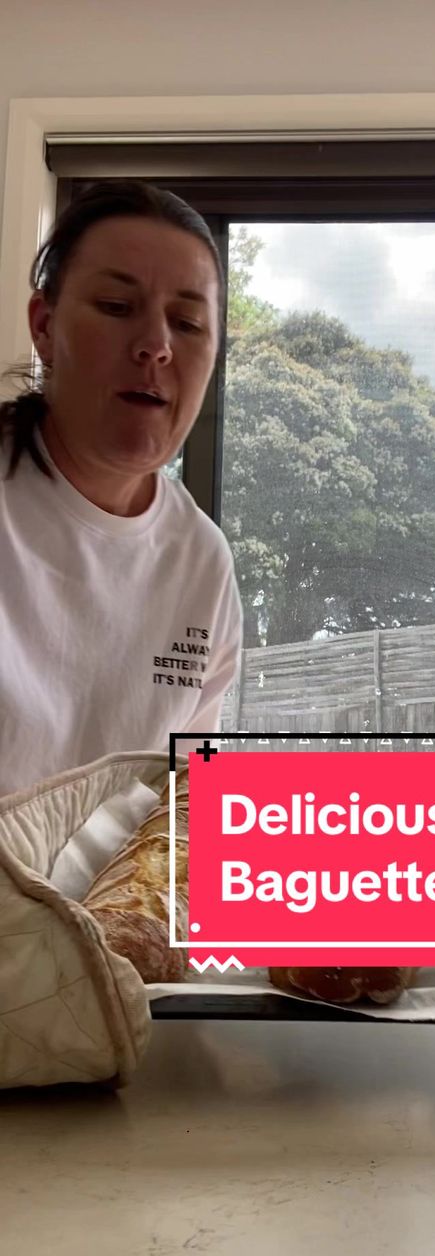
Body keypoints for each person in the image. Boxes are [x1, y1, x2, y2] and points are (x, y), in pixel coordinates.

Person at [0, 180, 243, 797]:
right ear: (45, 326)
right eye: (115, 306)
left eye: (187, 323)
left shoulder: (201, 565)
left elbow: (175, 812)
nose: (156, 347)